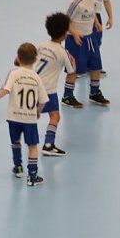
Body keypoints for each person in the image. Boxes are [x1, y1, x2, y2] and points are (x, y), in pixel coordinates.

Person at [0, 43, 46, 186]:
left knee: (15, 142)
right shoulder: (37, 78)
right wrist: (38, 111)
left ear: (18, 58)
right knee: (32, 146)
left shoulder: (13, 74)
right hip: (29, 119)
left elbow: (5, 90)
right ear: (36, 59)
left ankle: (18, 167)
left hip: (13, 117)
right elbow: (43, 100)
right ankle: (32, 176)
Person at [33, 13, 79, 155]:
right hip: (48, 90)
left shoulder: (41, 45)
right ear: (65, 34)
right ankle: (48, 144)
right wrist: (73, 62)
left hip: (32, 85)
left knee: (32, 114)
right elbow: (72, 71)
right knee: (54, 116)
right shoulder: (63, 52)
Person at [63, 0, 110, 106]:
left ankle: (94, 92)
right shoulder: (76, 2)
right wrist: (75, 33)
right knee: (74, 69)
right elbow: (65, 20)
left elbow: (93, 11)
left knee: (96, 66)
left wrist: (95, 22)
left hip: (91, 38)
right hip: (76, 40)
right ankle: (67, 96)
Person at [74, 0, 113, 78]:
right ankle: (80, 67)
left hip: (97, 16)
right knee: (83, 42)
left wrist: (110, 17)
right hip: (82, 17)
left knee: (96, 42)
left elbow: (106, 0)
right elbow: (76, 2)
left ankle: (93, 66)